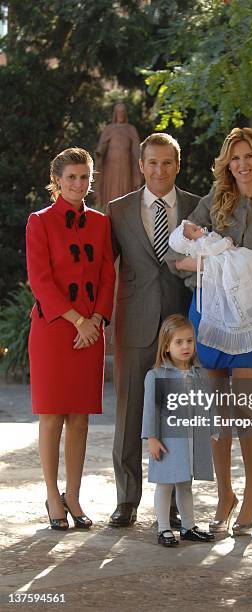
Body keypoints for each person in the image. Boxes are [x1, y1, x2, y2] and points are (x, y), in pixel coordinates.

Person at [167, 127, 252, 535]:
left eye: (250, 157)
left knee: (244, 406)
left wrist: (249, 272)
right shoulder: (213, 202)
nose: (242, 165)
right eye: (235, 158)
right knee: (216, 409)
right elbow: (181, 257)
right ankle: (224, 494)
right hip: (209, 316)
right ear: (227, 163)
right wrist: (211, 266)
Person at [106, 133, 200, 527]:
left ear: (177, 165)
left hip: (180, 324)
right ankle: (127, 500)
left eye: (167, 163)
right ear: (141, 166)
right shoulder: (118, 210)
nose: (160, 170)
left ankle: (174, 500)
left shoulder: (197, 207)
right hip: (134, 322)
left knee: (175, 415)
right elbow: (100, 266)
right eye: (153, 163)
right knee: (130, 412)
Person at [26, 147, 116, 530]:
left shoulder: (100, 223)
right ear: (57, 181)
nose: (79, 184)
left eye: (85, 177)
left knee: (79, 418)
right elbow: (40, 280)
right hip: (53, 330)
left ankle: (74, 496)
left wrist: (94, 320)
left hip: (90, 331)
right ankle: (52, 496)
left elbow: (108, 276)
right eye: (72, 177)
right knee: (51, 417)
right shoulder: (39, 222)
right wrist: (78, 320)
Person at [169, 220, 252, 353]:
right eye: (194, 230)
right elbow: (198, 255)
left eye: (196, 226)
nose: (199, 228)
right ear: (189, 241)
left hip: (243, 272)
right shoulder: (201, 243)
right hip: (226, 262)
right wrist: (226, 241)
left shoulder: (204, 237)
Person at [141, 314, 215, 546]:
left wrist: (212, 429)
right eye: (179, 342)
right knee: (165, 484)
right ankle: (163, 529)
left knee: (185, 484)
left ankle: (188, 526)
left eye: (189, 341)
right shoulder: (156, 376)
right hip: (168, 441)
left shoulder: (199, 374)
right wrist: (151, 437)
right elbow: (150, 410)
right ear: (166, 346)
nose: (185, 347)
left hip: (191, 440)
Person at [95, 102, 141, 209]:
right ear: (115, 114)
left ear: (125, 114)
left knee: (125, 186)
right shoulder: (109, 129)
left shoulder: (131, 129)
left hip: (126, 163)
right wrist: (99, 153)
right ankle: (109, 209)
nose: (120, 115)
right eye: (118, 112)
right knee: (111, 188)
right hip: (110, 164)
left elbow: (136, 149)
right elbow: (103, 145)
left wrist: (139, 163)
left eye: (122, 112)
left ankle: (124, 211)